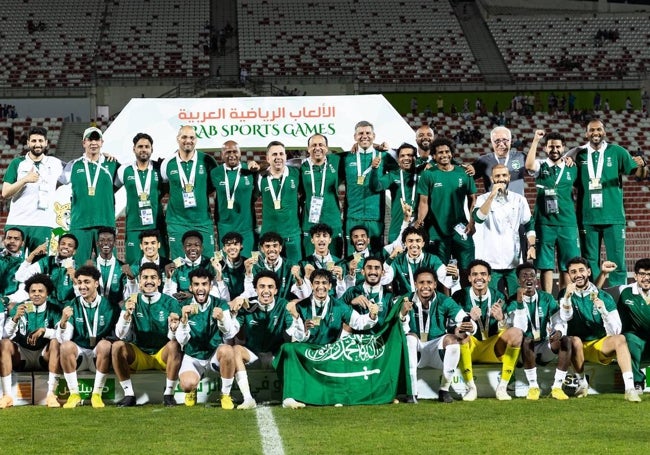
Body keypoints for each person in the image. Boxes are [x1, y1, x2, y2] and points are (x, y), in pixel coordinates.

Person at [282, 268, 379, 409]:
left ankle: (337, 396)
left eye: (324, 283)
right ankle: (290, 397)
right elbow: (297, 337)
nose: (320, 287)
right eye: (316, 283)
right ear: (311, 284)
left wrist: (372, 316)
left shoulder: (339, 306)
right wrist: (300, 322)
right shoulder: (300, 307)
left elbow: (359, 323)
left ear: (330, 286)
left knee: (345, 350)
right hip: (307, 350)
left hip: (330, 352)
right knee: (288, 348)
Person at [571, 119, 646, 285]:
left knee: (617, 259)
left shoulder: (617, 151)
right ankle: (592, 296)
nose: (595, 133)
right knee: (589, 261)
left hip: (613, 217)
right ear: (586, 133)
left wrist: (642, 165)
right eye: (591, 130)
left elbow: (640, 176)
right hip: (587, 217)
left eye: (599, 129)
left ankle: (619, 298)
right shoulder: (579, 154)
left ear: (604, 132)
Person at [559, 256, 641, 402]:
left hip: (599, 345)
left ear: (589, 272)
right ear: (569, 275)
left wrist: (603, 310)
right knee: (574, 340)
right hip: (577, 347)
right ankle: (582, 383)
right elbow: (565, 318)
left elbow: (615, 330)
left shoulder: (604, 296)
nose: (578, 275)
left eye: (581, 270)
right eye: (573, 272)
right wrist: (566, 298)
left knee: (620, 339)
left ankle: (630, 388)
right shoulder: (565, 294)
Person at [112, 263, 183, 407]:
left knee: (174, 345)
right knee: (117, 346)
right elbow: (120, 334)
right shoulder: (132, 300)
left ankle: (169, 394)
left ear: (159, 281)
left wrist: (174, 328)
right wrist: (127, 315)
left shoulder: (170, 302)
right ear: (139, 281)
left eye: (153, 277)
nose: (148, 281)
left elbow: (176, 339)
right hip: (140, 355)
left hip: (162, 355)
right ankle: (129, 395)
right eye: (144, 277)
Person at [233, 270, 306, 409]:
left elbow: (295, 334)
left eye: (270, 287)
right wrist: (233, 312)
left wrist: (296, 317)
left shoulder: (283, 305)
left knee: (290, 348)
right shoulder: (247, 306)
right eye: (262, 286)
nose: (266, 291)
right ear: (255, 289)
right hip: (253, 354)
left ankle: (288, 397)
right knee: (236, 350)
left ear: (276, 290)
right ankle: (248, 399)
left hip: (275, 355)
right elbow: (230, 331)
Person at [401, 266, 473, 403]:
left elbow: (463, 318)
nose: (425, 286)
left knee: (453, 342)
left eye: (429, 282)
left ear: (435, 284)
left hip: (437, 350)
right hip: (416, 351)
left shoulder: (444, 300)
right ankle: (412, 392)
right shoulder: (406, 301)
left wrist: (470, 326)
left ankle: (444, 390)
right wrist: (403, 314)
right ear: (415, 284)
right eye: (421, 282)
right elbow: (400, 329)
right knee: (409, 338)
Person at [453, 260, 520, 401]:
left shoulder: (499, 296)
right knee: (461, 330)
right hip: (469, 345)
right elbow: (451, 326)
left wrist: (501, 319)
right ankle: (471, 387)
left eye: (483, 274)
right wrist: (468, 318)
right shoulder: (459, 296)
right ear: (469, 278)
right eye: (475, 274)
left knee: (516, 333)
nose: (479, 277)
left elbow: (508, 326)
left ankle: (502, 387)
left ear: (489, 277)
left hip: (493, 347)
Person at [505, 263, 572, 401]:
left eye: (532, 275)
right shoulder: (512, 301)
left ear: (536, 279)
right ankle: (533, 386)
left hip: (543, 344)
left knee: (566, 340)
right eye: (524, 276)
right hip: (523, 350)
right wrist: (519, 302)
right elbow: (520, 328)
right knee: (527, 339)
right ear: (518, 281)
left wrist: (558, 332)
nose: (529, 279)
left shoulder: (546, 298)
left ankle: (557, 387)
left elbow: (558, 319)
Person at [175, 268, 240, 409]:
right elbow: (181, 341)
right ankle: (191, 391)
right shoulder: (183, 306)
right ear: (191, 287)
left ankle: (225, 394)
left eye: (204, 284)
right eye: (196, 284)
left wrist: (222, 319)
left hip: (213, 354)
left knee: (228, 350)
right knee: (186, 384)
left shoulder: (220, 304)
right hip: (193, 356)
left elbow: (229, 334)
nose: (200, 288)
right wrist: (184, 321)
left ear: (210, 286)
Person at [56, 265, 120, 408]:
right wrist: (63, 322)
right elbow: (64, 340)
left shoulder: (110, 306)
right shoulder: (72, 305)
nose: (82, 286)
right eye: (79, 282)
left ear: (96, 283)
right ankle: (74, 394)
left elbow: (120, 334)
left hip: (98, 356)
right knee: (66, 347)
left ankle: (96, 395)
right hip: (79, 355)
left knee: (105, 345)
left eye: (86, 282)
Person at [525, 130, 580, 293]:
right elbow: (528, 165)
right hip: (544, 223)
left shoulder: (572, 167)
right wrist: (535, 139)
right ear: (545, 148)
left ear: (563, 148)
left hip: (567, 223)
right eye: (550, 147)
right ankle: (547, 299)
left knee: (568, 265)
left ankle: (565, 300)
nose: (554, 150)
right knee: (545, 265)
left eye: (557, 146)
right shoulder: (540, 165)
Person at [416, 137, 476, 283]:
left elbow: (473, 198)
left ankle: (466, 301)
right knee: (441, 272)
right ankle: (444, 302)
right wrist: (420, 220)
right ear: (434, 156)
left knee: (467, 268)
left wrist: (472, 222)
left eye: (447, 151)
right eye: (440, 152)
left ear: (451, 153)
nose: (444, 155)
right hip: (437, 231)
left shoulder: (463, 173)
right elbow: (424, 202)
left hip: (461, 229)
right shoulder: (428, 174)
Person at [472, 164, 535, 297]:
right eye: (498, 176)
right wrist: (492, 195)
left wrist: (532, 245)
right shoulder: (482, 199)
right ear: (492, 178)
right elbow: (478, 218)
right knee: (493, 299)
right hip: (490, 262)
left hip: (514, 262)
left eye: (504, 175)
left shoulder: (519, 199)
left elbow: (529, 224)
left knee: (516, 298)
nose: (501, 179)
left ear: (509, 177)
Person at [0, 274, 62, 408]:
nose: (36, 294)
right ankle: (6, 396)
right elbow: (6, 334)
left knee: (56, 342)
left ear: (47, 294)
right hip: (22, 354)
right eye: (33, 291)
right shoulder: (20, 307)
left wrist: (45, 331)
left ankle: (51, 394)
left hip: (43, 354)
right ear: (28, 293)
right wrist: (15, 318)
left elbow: (63, 335)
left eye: (41, 291)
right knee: (4, 344)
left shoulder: (54, 309)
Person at [59, 127, 120, 263]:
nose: (93, 143)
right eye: (90, 139)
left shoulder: (113, 164)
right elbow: (56, 182)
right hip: (79, 224)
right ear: (84, 143)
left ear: (102, 142)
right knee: (79, 267)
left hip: (105, 224)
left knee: (107, 266)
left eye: (96, 139)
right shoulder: (73, 165)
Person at [1, 126, 64, 254]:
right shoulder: (17, 163)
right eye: (34, 141)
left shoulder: (56, 163)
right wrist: (24, 180)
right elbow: (5, 193)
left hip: (44, 223)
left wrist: (103, 156)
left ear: (46, 143)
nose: (37, 144)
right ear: (28, 142)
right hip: (18, 222)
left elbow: (79, 166)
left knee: (40, 266)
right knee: (13, 265)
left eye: (40, 141)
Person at [160, 125, 217, 259]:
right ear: (178, 139)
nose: (188, 140)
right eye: (184, 137)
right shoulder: (168, 163)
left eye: (192, 137)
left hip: (203, 221)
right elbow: (164, 187)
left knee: (208, 262)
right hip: (177, 222)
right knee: (178, 263)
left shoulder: (207, 160)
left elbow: (213, 186)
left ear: (196, 140)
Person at [116, 133, 166, 264]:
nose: (143, 149)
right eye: (140, 146)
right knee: (134, 266)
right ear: (134, 149)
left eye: (146, 146)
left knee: (159, 266)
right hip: (133, 226)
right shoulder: (124, 170)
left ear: (152, 149)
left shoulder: (159, 169)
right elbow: (111, 190)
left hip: (156, 226)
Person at [341, 121, 387, 253]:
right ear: (355, 137)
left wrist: (383, 147)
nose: (364, 136)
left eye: (368, 133)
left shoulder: (384, 156)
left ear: (374, 135)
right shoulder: (346, 157)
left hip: (375, 218)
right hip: (352, 217)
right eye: (360, 133)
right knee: (352, 259)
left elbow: (403, 162)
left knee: (376, 259)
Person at [257, 141, 303, 264]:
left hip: (292, 235)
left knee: (295, 272)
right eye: (274, 154)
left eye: (281, 154)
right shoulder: (260, 177)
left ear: (285, 157)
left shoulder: (296, 173)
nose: (278, 157)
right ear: (267, 158)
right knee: (269, 275)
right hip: (269, 238)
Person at [211, 140, 257, 257]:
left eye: (235, 151)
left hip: (246, 227)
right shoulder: (215, 173)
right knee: (226, 263)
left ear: (240, 154)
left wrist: (257, 164)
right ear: (222, 155)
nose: (232, 155)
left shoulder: (250, 171)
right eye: (227, 152)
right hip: (224, 227)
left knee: (248, 261)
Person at [300, 134, 343, 257]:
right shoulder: (301, 166)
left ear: (327, 148)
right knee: (310, 263)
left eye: (321, 145)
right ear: (308, 149)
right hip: (310, 223)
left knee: (334, 262)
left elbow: (357, 151)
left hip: (332, 221)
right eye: (313, 145)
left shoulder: (336, 161)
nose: (317, 148)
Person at [370, 143, 419, 243]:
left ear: (415, 158)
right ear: (398, 159)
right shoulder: (393, 175)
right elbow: (376, 187)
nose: (406, 158)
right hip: (397, 229)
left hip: (418, 228)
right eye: (402, 156)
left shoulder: (424, 174)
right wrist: (374, 170)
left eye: (409, 155)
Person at [14, 233, 77, 309]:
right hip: (43, 305)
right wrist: (33, 254)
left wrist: (74, 279)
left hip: (65, 309)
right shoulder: (46, 262)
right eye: (63, 244)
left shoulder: (77, 269)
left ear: (74, 251)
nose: (65, 247)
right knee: (14, 308)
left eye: (70, 246)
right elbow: (20, 277)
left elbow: (83, 295)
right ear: (58, 247)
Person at [245, 232, 311, 301]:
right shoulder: (256, 266)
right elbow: (250, 293)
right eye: (267, 246)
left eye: (275, 246)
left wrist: (298, 279)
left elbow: (304, 296)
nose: (271, 249)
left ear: (280, 248)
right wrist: (248, 273)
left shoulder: (291, 266)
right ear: (262, 249)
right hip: (263, 307)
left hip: (284, 309)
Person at [390, 226, 455, 296]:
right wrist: (390, 259)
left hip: (428, 299)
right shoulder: (398, 260)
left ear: (423, 243)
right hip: (406, 300)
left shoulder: (433, 259)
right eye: (410, 241)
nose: (414, 244)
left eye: (418, 241)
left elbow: (447, 282)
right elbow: (385, 279)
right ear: (405, 243)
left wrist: (454, 277)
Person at [618, 258, 650, 392]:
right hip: (635, 339)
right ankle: (637, 382)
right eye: (643, 274)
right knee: (627, 339)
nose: (646, 278)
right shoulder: (625, 292)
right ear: (635, 276)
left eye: (649, 274)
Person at [163, 230, 224, 301]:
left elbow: (216, 294)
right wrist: (168, 279)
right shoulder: (176, 266)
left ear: (202, 248)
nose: (192, 248)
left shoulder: (210, 264)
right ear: (183, 248)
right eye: (188, 245)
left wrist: (193, 297)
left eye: (197, 245)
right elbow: (169, 295)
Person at [341, 256, 394, 331]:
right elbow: (336, 312)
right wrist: (351, 303)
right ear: (362, 272)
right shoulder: (352, 291)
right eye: (369, 268)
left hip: (379, 339)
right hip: (354, 339)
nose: (373, 272)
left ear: (382, 273)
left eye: (377, 268)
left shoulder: (389, 297)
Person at [472, 126, 527, 196]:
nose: (501, 144)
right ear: (492, 142)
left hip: (516, 205)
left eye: (505, 140)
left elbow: (536, 170)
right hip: (493, 205)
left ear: (510, 141)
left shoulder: (521, 157)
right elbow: (466, 178)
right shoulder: (483, 161)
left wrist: (536, 141)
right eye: (497, 141)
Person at [298, 223, 347, 298]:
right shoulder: (304, 264)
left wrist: (340, 280)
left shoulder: (340, 263)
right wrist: (306, 278)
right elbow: (302, 297)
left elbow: (343, 297)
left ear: (330, 240)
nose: (321, 239)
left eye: (325, 236)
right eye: (317, 236)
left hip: (333, 305)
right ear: (312, 240)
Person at [0, 228, 26, 303]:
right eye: (9, 238)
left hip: (12, 304)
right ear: (4, 240)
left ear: (22, 243)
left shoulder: (26, 264)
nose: (12, 241)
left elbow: (24, 291)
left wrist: (7, 299)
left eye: (16, 239)